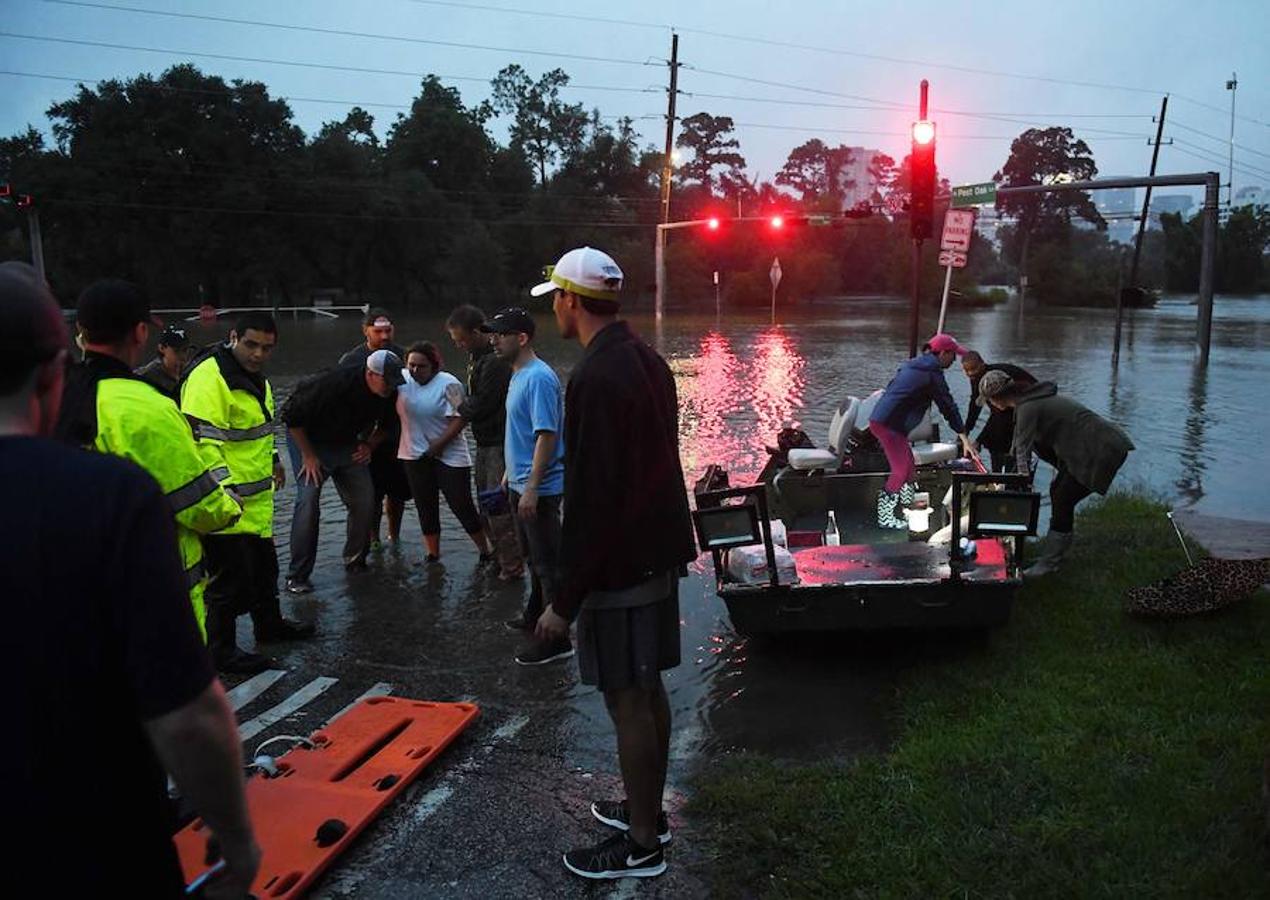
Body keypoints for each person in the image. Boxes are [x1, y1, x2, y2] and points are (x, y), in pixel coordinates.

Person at [1, 261, 260, 898]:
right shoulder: (116, 478)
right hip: (95, 829)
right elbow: (187, 715)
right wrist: (234, 833)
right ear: (51, 371)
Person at [530, 247, 697, 880]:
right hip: (656, 552)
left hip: (620, 566)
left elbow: (595, 500)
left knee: (627, 700)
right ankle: (645, 808)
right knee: (647, 688)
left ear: (572, 300)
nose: (555, 312)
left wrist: (564, 601)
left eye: (556, 300)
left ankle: (643, 844)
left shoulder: (596, 378)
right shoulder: (646, 360)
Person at [55, 278, 243, 637]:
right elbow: (196, 504)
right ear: (141, 333)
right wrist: (230, 506)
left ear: (80, 330)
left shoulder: (50, 395)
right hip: (153, 608)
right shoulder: (147, 407)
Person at [182, 311, 315, 675]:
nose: (258, 354)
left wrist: (273, 458)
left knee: (263, 570)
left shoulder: (254, 377)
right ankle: (220, 650)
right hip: (227, 501)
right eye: (251, 344)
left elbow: (257, 426)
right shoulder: (210, 378)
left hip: (256, 501)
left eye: (266, 348)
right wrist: (221, 491)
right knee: (229, 581)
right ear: (233, 337)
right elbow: (203, 443)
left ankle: (268, 626)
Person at [480, 307, 572, 665]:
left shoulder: (538, 378)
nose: (493, 340)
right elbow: (519, 432)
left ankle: (557, 639)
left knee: (549, 564)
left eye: (500, 335)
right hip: (521, 481)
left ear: (522, 338)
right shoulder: (517, 374)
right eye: (492, 334)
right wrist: (509, 475)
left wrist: (532, 487)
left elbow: (546, 435)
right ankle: (535, 616)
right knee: (534, 558)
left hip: (542, 489)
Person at [978, 370, 1134, 577]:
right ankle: (1053, 555)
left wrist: (1022, 481)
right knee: (1058, 492)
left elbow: (1022, 451)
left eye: (989, 401)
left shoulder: (1027, 408)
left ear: (997, 399)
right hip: (1096, 447)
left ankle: (1050, 563)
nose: (991, 405)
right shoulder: (1030, 401)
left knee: (1062, 497)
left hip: (1103, 448)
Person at [280, 348, 403, 593]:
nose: (390, 387)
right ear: (370, 374)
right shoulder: (332, 384)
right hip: (309, 440)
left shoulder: (391, 391)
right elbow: (291, 417)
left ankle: (355, 560)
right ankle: (298, 575)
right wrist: (309, 456)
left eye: (393, 382)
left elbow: (389, 425)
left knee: (365, 499)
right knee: (308, 500)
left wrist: (369, 445)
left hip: (347, 443)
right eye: (386, 381)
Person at [396, 340, 494, 563]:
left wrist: (438, 445)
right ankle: (432, 553)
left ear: (434, 366)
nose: (415, 371)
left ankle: (485, 549)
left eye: (421, 366)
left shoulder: (448, 383)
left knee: (461, 504)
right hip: (414, 453)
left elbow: (462, 417)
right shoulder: (402, 379)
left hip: (449, 453)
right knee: (425, 505)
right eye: (411, 365)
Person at [446, 304, 524, 580]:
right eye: (456, 341)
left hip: (498, 444)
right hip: (485, 442)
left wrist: (459, 404)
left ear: (478, 332)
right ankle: (500, 558)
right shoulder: (477, 358)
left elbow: (481, 405)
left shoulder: (493, 361)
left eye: (462, 340)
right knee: (486, 504)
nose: (459, 346)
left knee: (497, 507)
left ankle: (512, 566)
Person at [867, 333, 973, 529]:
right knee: (900, 470)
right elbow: (947, 405)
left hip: (887, 421)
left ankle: (909, 506)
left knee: (909, 467)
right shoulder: (931, 374)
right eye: (953, 355)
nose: (955, 359)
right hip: (889, 425)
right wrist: (963, 436)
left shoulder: (914, 364)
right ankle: (885, 518)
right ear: (942, 353)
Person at [339, 307, 410, 550]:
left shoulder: (403, 356)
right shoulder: (352, 360)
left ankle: (395, 536)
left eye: (388, 331)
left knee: (398, 491)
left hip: (396, 434)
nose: (384, 337)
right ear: (365, 331)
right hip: (364, 436)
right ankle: (373, 538)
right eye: (378, 331)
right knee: (372, 493)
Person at [961, 350, 1038, 472]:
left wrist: (979, 440)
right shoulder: (977, 379)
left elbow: (1000, 414)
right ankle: (998, 475)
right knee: (995, 439)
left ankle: (1009, 476)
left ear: (982, 364)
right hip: (1009, 411)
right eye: (966, 371)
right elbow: (975, 405)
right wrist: (965, 432)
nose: (970, 374)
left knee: (1006, 440)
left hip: (1026, 404)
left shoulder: (994, 380)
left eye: (973, 370)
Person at [135, 323, 195, 400]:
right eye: (176, 351)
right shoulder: (146, 376)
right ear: (162, 348)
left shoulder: (190, 372)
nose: (183, 356)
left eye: (185, 350)